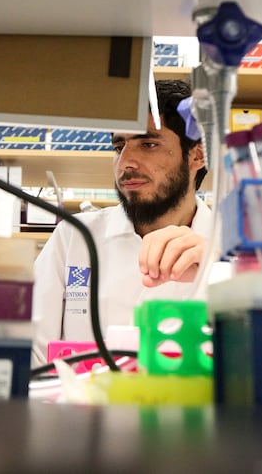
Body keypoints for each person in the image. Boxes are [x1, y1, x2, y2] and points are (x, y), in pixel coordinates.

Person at [31, 79, 211, 366]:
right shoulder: (75, 236)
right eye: (119, 146)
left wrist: (217, 272)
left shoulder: (229, 250)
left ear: (197, 155)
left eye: (149, 144)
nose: (125, 162)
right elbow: (32, 353)